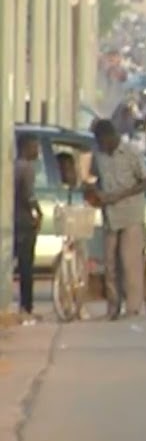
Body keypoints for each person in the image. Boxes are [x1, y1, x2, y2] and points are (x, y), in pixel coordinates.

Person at [85, 119, 146, 321]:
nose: (101, 145)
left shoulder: (131, 152)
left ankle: (132, 307)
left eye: (102, 141)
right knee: (110, 263)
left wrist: (122, 195)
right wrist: (95, 192)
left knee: (129, 261)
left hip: (131, 213)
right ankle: (113, 306)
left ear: (111, 137)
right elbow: (96, 178)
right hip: (110, 214)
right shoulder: (98, 154)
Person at [13, 134, 43, 323]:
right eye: (35, 147)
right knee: (26, 266)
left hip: (13, 220)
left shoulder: (14, 166)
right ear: (26, 147)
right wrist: (38, 213)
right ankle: (26, 306)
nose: (37, 151)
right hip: (24, 221)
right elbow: (28, 195)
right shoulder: (26, 168)